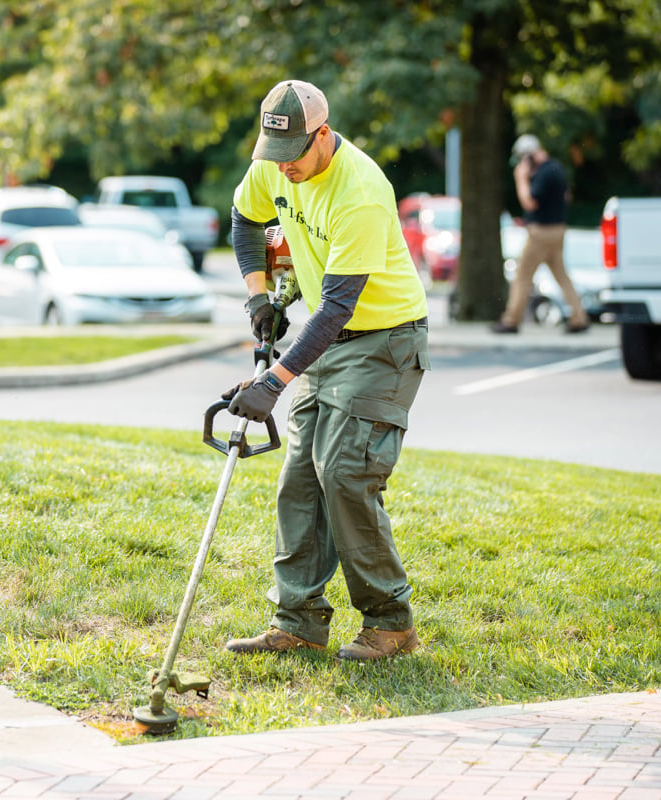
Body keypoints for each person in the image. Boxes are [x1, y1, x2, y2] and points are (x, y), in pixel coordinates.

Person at [220, 79, 430, 661]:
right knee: (300, 478)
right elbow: (243, 220)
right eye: (274, 155)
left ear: (323, 134)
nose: (282, 169)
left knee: (344, 471)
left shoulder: (360, 189)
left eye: (293, 157)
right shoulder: (272, 163)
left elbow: (339, 306)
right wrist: (258, 299)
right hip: (329, 339)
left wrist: (272, 383)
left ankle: (390, 623)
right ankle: (298, 623)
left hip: (384, 340)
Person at [492, 134, 589, 334]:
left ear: (528, 156)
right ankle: (579, 317)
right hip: (558, 229)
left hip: (541, 232)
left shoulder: (543, 173)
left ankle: (511, 320)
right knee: (562, 276)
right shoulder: (557, 169)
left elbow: (529, 202)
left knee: (522, 276)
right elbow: (566, 197)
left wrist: (521, 179)